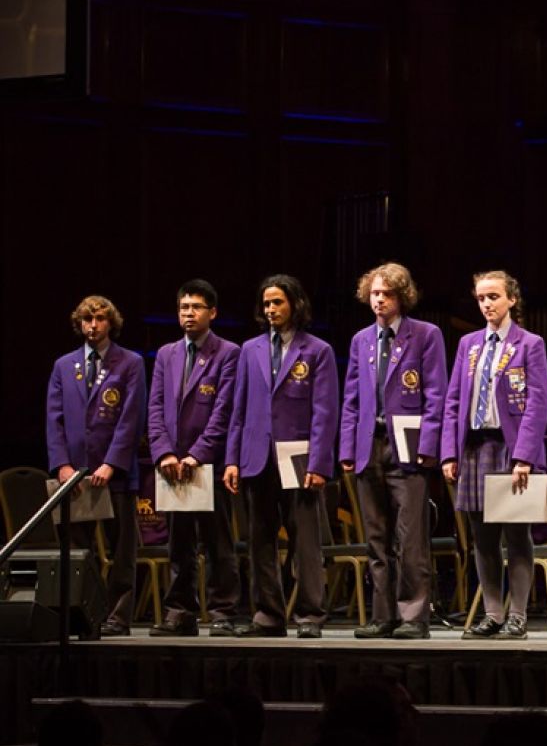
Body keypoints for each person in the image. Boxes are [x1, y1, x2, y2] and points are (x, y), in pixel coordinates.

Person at [223, 274, 338, 638]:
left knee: (305, 541)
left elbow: (325, 412)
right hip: (257, 457)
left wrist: (320, 464)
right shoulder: (250, 349)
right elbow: (238, 410)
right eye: (266, 303)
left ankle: (309, 616)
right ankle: (268, 615)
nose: (271, 309)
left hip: (299, 458)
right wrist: (232, 459)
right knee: (260, 541)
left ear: (294, 304)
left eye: (278, 302)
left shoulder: (317, 350)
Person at [441, 271, 547, 641]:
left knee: (516, 535)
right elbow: (453, 399)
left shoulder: (529, 343)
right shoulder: (469, 344)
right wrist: (448, 452)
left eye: (493, 296)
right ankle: (491, 612)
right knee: (482, 538)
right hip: (474, 447)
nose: (487, 304)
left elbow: (537, 404)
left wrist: (524, 457)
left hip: (510, 448)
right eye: (481, 298)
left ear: (511, 300)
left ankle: (517, 614)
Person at [340, 263, 447, 640]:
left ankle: (413, 616)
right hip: (370, 444)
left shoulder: (425, 335)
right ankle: (382, 615)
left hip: (409, 446)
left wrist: (430, 446)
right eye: (374, 294)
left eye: (386, 294)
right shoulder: (361, 340)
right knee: (376, 537)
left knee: (410, 537)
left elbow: (436, 394)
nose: (379, 300)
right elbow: (351, 398)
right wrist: (348, 447)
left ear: (402, 296)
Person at [46, 295, 146, 636]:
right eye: (87, 319)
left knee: (121, 550)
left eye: (100, 319)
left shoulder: (130, 363)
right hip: (75, 475)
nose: (93, 325)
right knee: (77, 551)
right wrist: (61, 464)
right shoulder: (63, 365)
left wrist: (111, 464)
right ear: (79, 323)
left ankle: (118, 617)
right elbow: (54, 419)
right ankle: (80, 614)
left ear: (110, 322)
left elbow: (131, 419)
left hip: (115, 475)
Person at [147, 279, 242, 637]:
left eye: (196, 307)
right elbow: (155, 407)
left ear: (212, 312)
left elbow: (224, 411)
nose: (189, 314)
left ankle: (222, 612)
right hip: (172, 465)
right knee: (178, 544)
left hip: (208, 464)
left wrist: (197, 454)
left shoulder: (228, 353)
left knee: (218, 543)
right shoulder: (167, 354)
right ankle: (179, 612)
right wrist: (164, 452)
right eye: (184, 308)